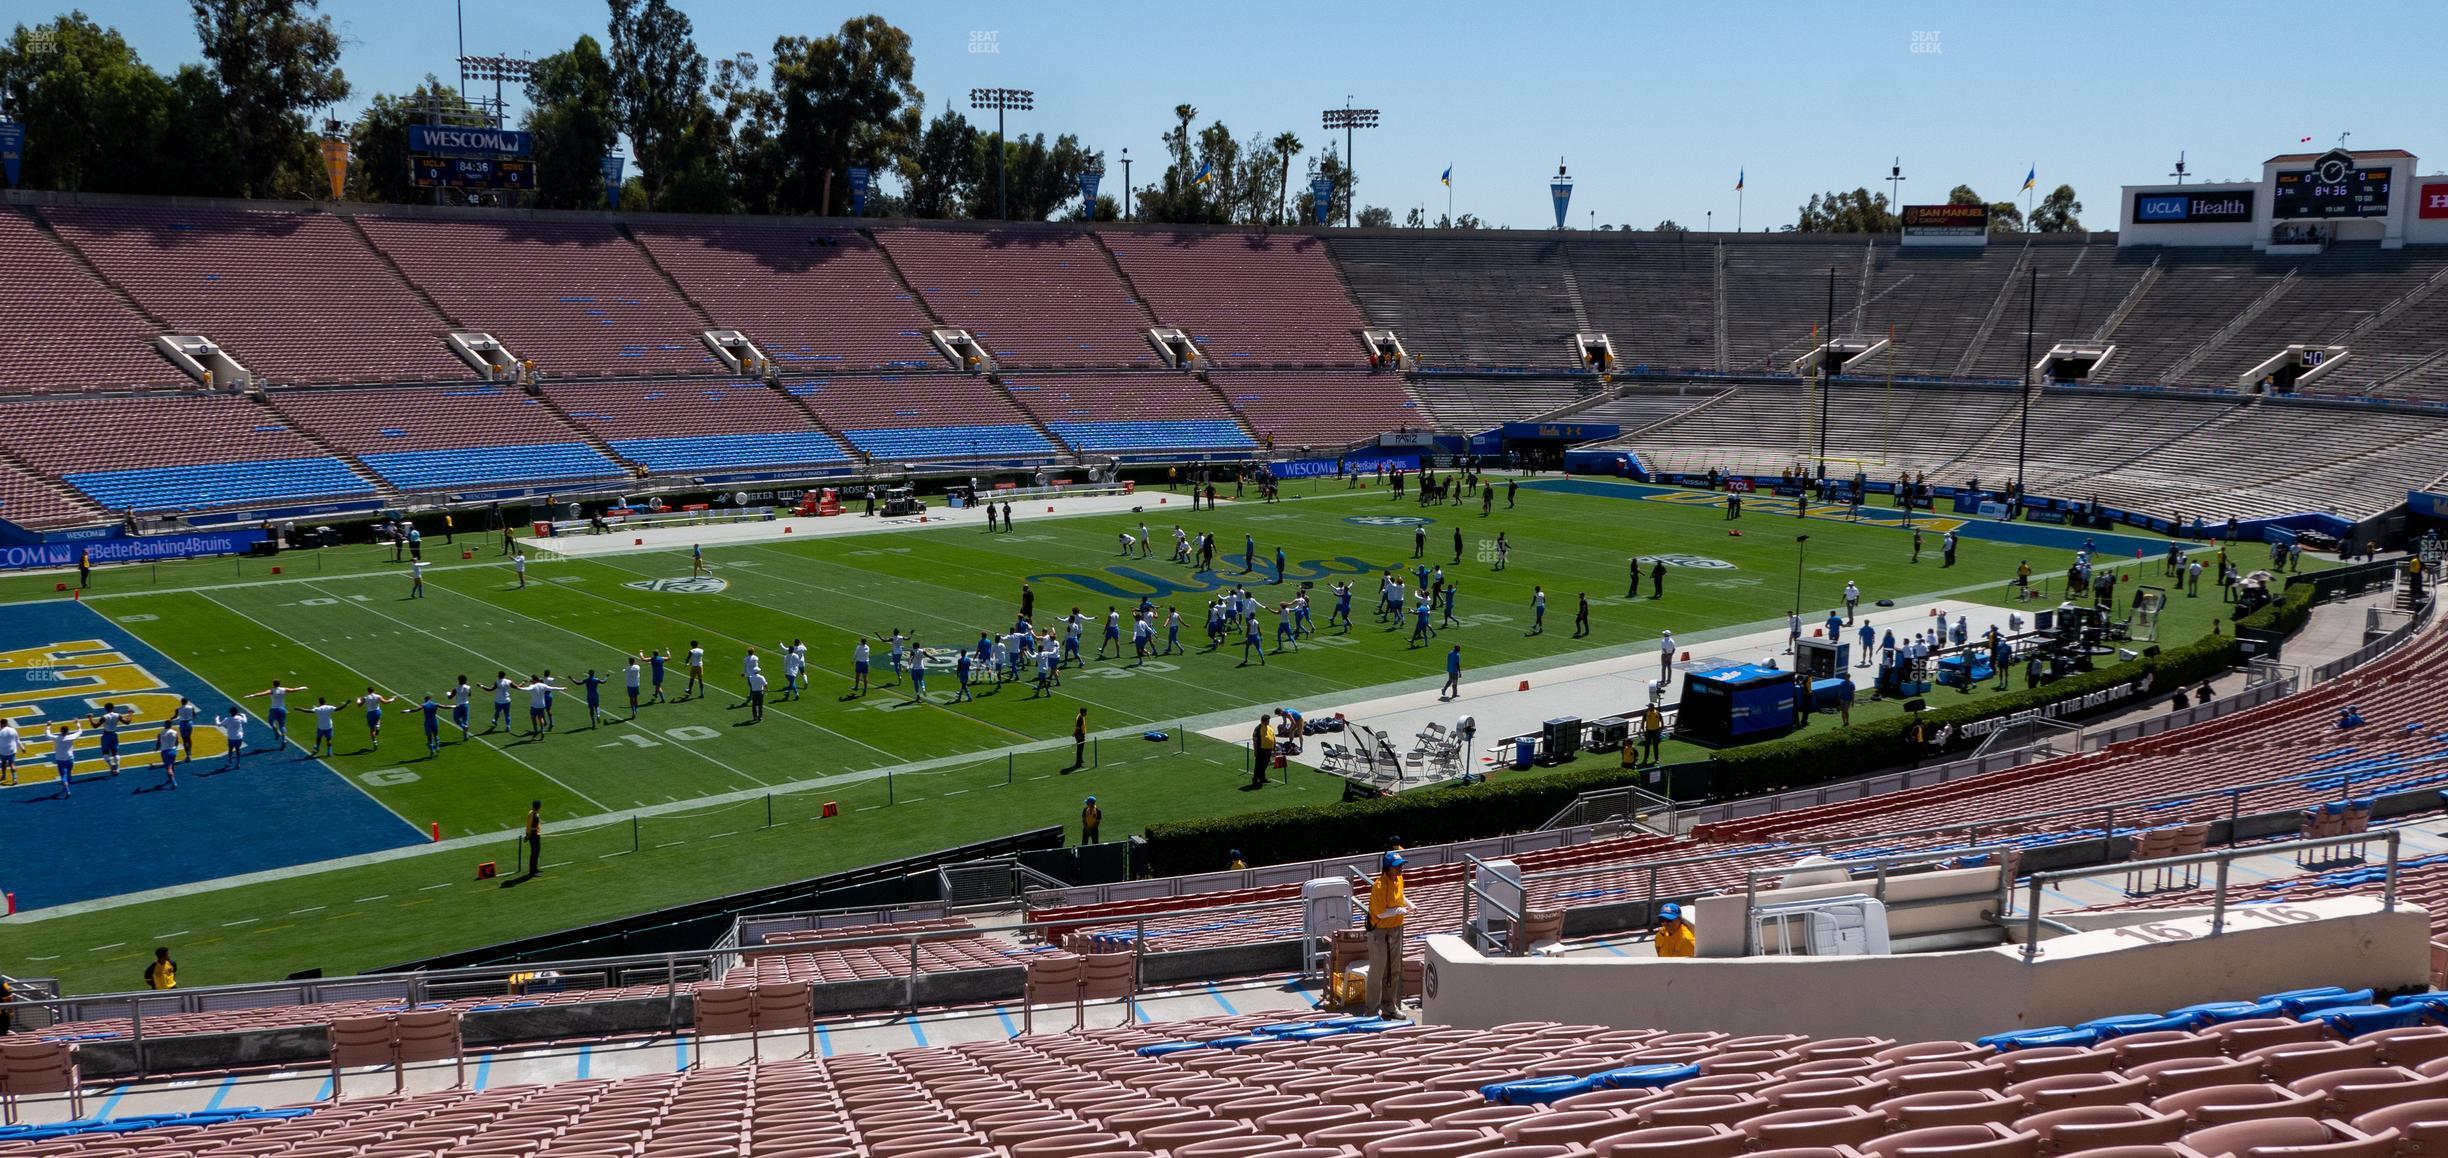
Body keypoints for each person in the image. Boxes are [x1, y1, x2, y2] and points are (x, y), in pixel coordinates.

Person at [1365, 853, 1412, 1017]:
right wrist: (1398, 911)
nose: (1401, 868)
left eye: (1401, 865)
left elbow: (1399, 896)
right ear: (1388, 868)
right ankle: (1371, 1010)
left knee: (1394, 970)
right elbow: (1379, 913)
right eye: (1397, 866)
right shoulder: (1378, 886)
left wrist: (1408, 903)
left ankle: (1389, 1006)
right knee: (1377, 971)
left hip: (1396, 928)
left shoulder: (1399, 879)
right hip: (1380, 932)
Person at [1252, 714, 1276, 788]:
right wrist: (1256, 750)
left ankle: (1263, 778)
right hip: (1261, 750)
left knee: (1265, 765)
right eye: (1267, 720)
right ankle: (1255, 780)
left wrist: (1274, 746)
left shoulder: (1270, 727)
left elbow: (1273, 736)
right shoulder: (1258, 728)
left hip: (1268, 749)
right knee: (1259, 766)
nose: (1268, 721)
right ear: (1263, 721)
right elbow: (1255, 740)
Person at [523, 801, 543, 877]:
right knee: (534, 853)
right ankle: (532, 871)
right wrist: (527, 837)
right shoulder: (534, 815)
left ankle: (535, 869)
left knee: (536, 853)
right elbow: (531, 828)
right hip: (534, 836)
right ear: (538, 807)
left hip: (534, 835)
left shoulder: (533, 813)